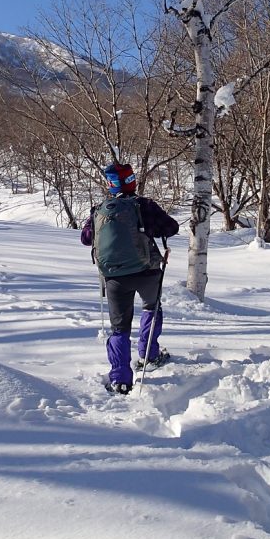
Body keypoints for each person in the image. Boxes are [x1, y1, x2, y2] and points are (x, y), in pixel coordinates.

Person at [80, 161, 180, 395]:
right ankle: (148, 355)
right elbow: (171, 227)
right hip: (147, 271)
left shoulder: (99, 210)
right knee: (152, 309)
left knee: (119, 328)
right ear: (132, 181)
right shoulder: (144, 205)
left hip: (115, 277)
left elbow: (86, 238)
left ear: (111, 185)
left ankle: (121, 379)